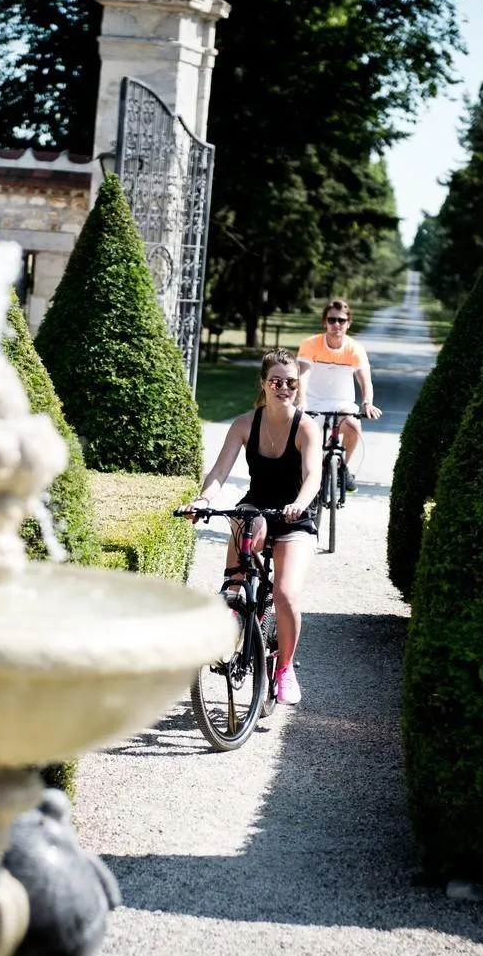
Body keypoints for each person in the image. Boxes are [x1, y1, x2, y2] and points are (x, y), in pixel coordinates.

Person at [180, 350, 322, 706]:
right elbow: (218, 473)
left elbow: (313, 476)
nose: (284, 388)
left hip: (293, 515)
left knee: (287, 594)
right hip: (257, 505)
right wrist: (202, 502)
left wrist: (300, 503)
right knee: (236, 575)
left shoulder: (306, 426)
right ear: (263, 383)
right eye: (276, 381)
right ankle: (238, 616)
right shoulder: (245, 424)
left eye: (291, 382)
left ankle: (285, 668)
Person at [295, 299, 382, 492]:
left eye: (341, 320)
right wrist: (301, 401)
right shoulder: (310, 344)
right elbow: (303, 374)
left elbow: (364, 380)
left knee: (353, 425)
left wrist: (367, 402)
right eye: (332, 320)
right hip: (313, 402)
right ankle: (307, 482)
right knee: (308, 443)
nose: (336, 325)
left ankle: (342, 468)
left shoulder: (355, 349)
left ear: (348, 323)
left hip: (342, 403)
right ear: (324, 322)